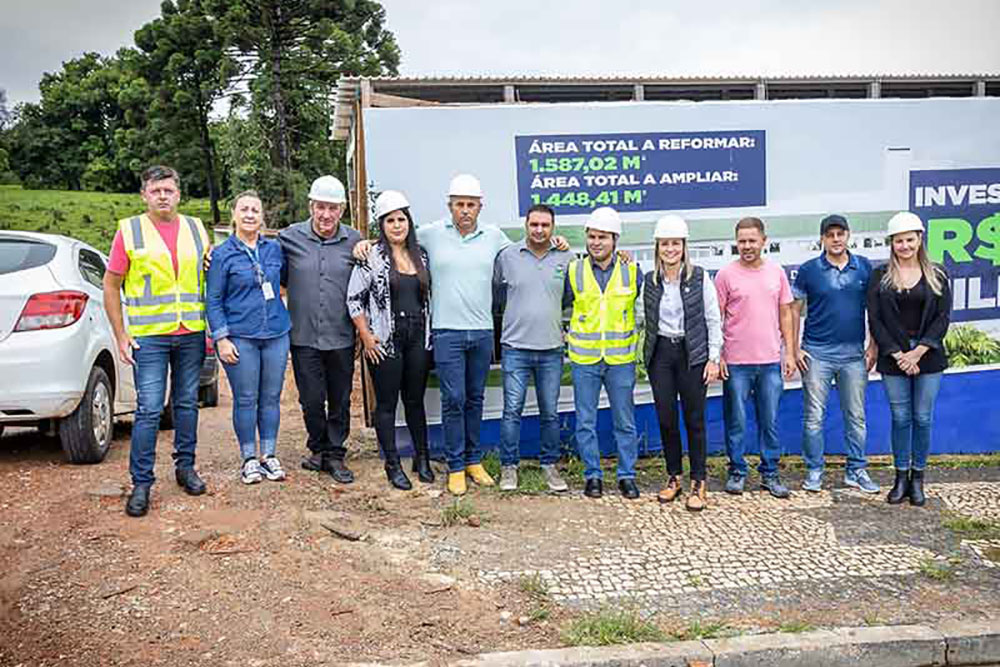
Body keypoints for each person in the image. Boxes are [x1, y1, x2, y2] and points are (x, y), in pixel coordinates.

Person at [355, 175, 569, 496]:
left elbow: (529, 251)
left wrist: (558, 243)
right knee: (452, 401)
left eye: (471, 204)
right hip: (446, 333)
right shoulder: (431, 234)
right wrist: (366, 243)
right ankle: (455, 466)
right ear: (450, 205)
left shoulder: (494, 237)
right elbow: (398, 239)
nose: (465, 210)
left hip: (483, 333)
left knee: (475, 399)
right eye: (459, 204)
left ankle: (472, 460)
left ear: (480, 206)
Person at [102, 165, 211, 517]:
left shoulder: (196, 229)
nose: (163, 196)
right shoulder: (129, 231)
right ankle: (142, 483)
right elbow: (111, 285)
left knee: (185, 404)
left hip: (191, 331)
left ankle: (186, 468)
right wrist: (121, 334)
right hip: (149, 337)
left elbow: (211, 274)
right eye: (155, 190)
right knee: (149, 408)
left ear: (179, 193)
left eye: (168, 190)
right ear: (144, 195)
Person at [346, 190, 434, 490]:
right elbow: (353, 299)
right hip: (385, 340)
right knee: (386, 404)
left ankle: (422, 457)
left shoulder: (421, 255)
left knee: (415, 401)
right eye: (390, 220)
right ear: (381, 225)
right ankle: (392, 464)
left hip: (418, 338)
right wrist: (367, 337)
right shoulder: (371, 256)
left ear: (409, 222)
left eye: (401, 219)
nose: (397, 225)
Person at [206, 191, 292, 484]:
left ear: (262, 217)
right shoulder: (221, 254)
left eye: (255, 210)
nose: (250, 214)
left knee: (271, 398)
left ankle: (269, 455)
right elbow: (213, 299)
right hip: (240, 336)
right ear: (234, 215)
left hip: (276, 334)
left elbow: (287, 281)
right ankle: (249, 459)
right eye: (244, 209)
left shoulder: (274, 249)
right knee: (245, 398)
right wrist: (221, 338)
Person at [279, 176, 361, 484]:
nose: (326, 214)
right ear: (311, 206)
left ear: (342, 210)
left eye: (332, 208)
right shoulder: (289, 238)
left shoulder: (355, 241)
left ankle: (335, 454)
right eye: (320, 207)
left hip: (340, 335)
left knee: (339, 397)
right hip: (303, 335)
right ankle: (318, 447)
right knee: (311, 399)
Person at [867, 211, 951, 507]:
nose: (904, 246)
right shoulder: (880, 275)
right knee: (901, 418)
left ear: (919, 239)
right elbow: (875, 319)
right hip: (894, 356)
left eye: (909, 240)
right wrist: (899, 354)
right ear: (891, 243)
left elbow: (943, 318)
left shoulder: (938, 273)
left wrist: (919, 351)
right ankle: (900, 477)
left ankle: (918, 480)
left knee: (922, 418)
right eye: (898, 241)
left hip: (928, 356)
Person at [791, 214, 879, 494]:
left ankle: (856, 470)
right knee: (814, 416)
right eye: (830, 235)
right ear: (822, 239)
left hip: (854, 354)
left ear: (848, 235)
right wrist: (793, 349)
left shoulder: (863, 268)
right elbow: (793, 309)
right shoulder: (809, 270)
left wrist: (873, 345)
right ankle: (815, 470)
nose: (836, 239)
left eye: (840, 234)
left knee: (856, 415)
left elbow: (876, 311)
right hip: (816, 352)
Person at [642, 215, 722, 512]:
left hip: (692, 355)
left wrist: (713, 357)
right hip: (661, 354)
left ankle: (699, 481)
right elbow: (642, 319)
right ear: (657, 247)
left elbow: (713, 319)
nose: (670, 249)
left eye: (675, 243)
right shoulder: (649, 282)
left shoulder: (700, 278)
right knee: (666, 419)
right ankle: (674, 477)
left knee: (695, 419)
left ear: (684, 246)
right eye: (665, 244)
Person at [564, 206, 643, 500]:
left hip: (620, 360)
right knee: (586, 421)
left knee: (624, 421)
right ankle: (592, 475)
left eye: (603, 237)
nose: (597, 242)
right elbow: (563, 306)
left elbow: (642, 312)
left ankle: (626, 476)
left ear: (615, 240)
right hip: (585, 359)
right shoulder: (574, 270)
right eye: (592, 236)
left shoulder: (632, 270)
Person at [715, 217, 796, 499]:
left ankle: (770, 473)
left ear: (764, 241)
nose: (747, 246)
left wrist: (790, 353)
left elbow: (786, 312)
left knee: (770, 420)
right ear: (735, 243)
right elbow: (717, 317)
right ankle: (737, 471)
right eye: (742, 241)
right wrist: (719, 355)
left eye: (752, 240)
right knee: (736, 420)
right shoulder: (725, 275)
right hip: (736, 362)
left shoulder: (777, 273)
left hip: (771, 360)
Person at [493, 204, 571, 493]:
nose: (539, 230)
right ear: (526, 224)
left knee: (549, 411)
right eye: (534, 224)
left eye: (545, 225)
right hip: (515, 347)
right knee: (512, 410)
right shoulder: (507, 256)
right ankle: (508, 467)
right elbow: (497, 297)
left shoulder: (566, 256)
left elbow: (569, 297)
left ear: (553, 227)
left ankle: (549, 465)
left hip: (551, 349)